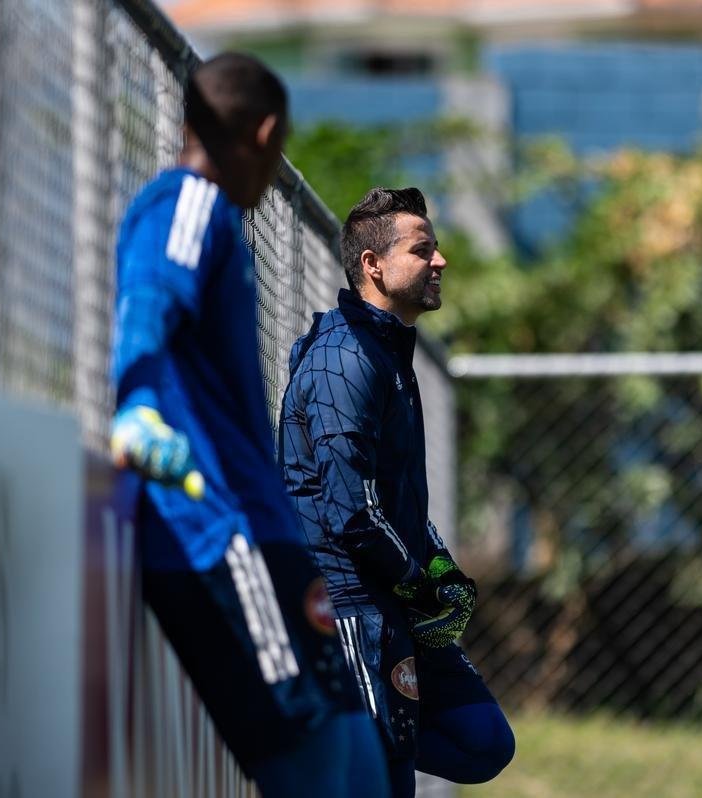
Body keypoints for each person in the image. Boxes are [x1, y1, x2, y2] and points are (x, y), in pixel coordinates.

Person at [109, 53, 387, 797]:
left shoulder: (219, 222)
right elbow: (148, 301)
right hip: (220, 534)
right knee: (315, 764)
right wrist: (136, 403)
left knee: (360, 760)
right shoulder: (187, 203)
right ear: (266, 134)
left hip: (267, 538)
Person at [279, 187, 515, 798]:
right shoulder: (345, 358)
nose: (440, 261)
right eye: (422, 249)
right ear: (373, 265)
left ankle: (368, 738)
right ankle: (335, 737)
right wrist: (418, 580)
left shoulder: (387, 351)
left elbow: (396, 497)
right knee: (382, 777)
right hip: (350, 601)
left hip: (392, 596)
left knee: (485, 741)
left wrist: (439, 566)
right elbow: (351, 510)